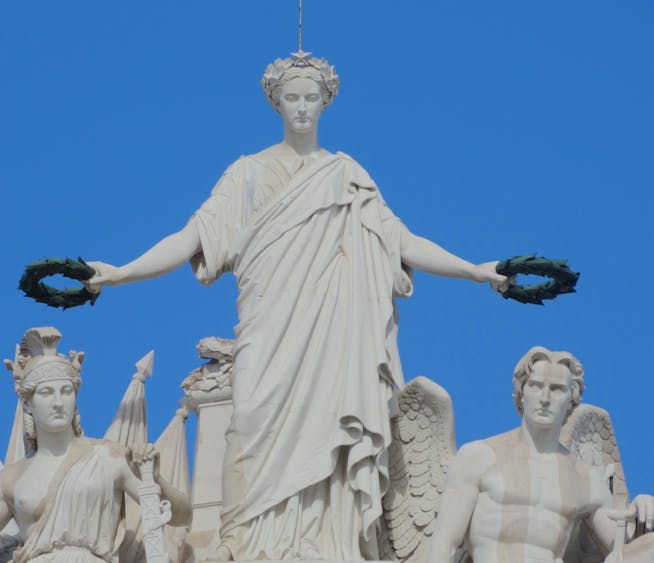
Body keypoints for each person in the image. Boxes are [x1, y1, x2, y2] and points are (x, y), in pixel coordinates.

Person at [84, 52, 506, 560]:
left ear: (325, 103)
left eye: (312, 98)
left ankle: (327, 542)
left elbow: (403, 242)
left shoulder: (346, 175)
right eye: (292, 98)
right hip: (266, 327)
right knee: (247, 424)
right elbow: (190, 237)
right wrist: (121, 273)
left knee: (327, 428)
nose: (302, 108)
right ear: (276, 103)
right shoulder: (246, 175)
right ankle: (240, 543)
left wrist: (478, 272)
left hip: (330, 335)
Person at [0, 327, 191, 563]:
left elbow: (181, 515)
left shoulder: (109, 457)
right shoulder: (11, 479)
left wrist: (155, 480)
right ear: (28, 403)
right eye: (47, 392)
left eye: (66, 391)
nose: (58, 402)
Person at [427, 346, 654, 563]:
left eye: (556, 389)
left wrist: (644, 507)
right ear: (521, 393)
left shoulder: (585, 479)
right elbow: (444, 543)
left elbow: (623, 551)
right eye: (535, 386)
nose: (545, 398)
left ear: (571, 400)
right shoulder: (478, 457)